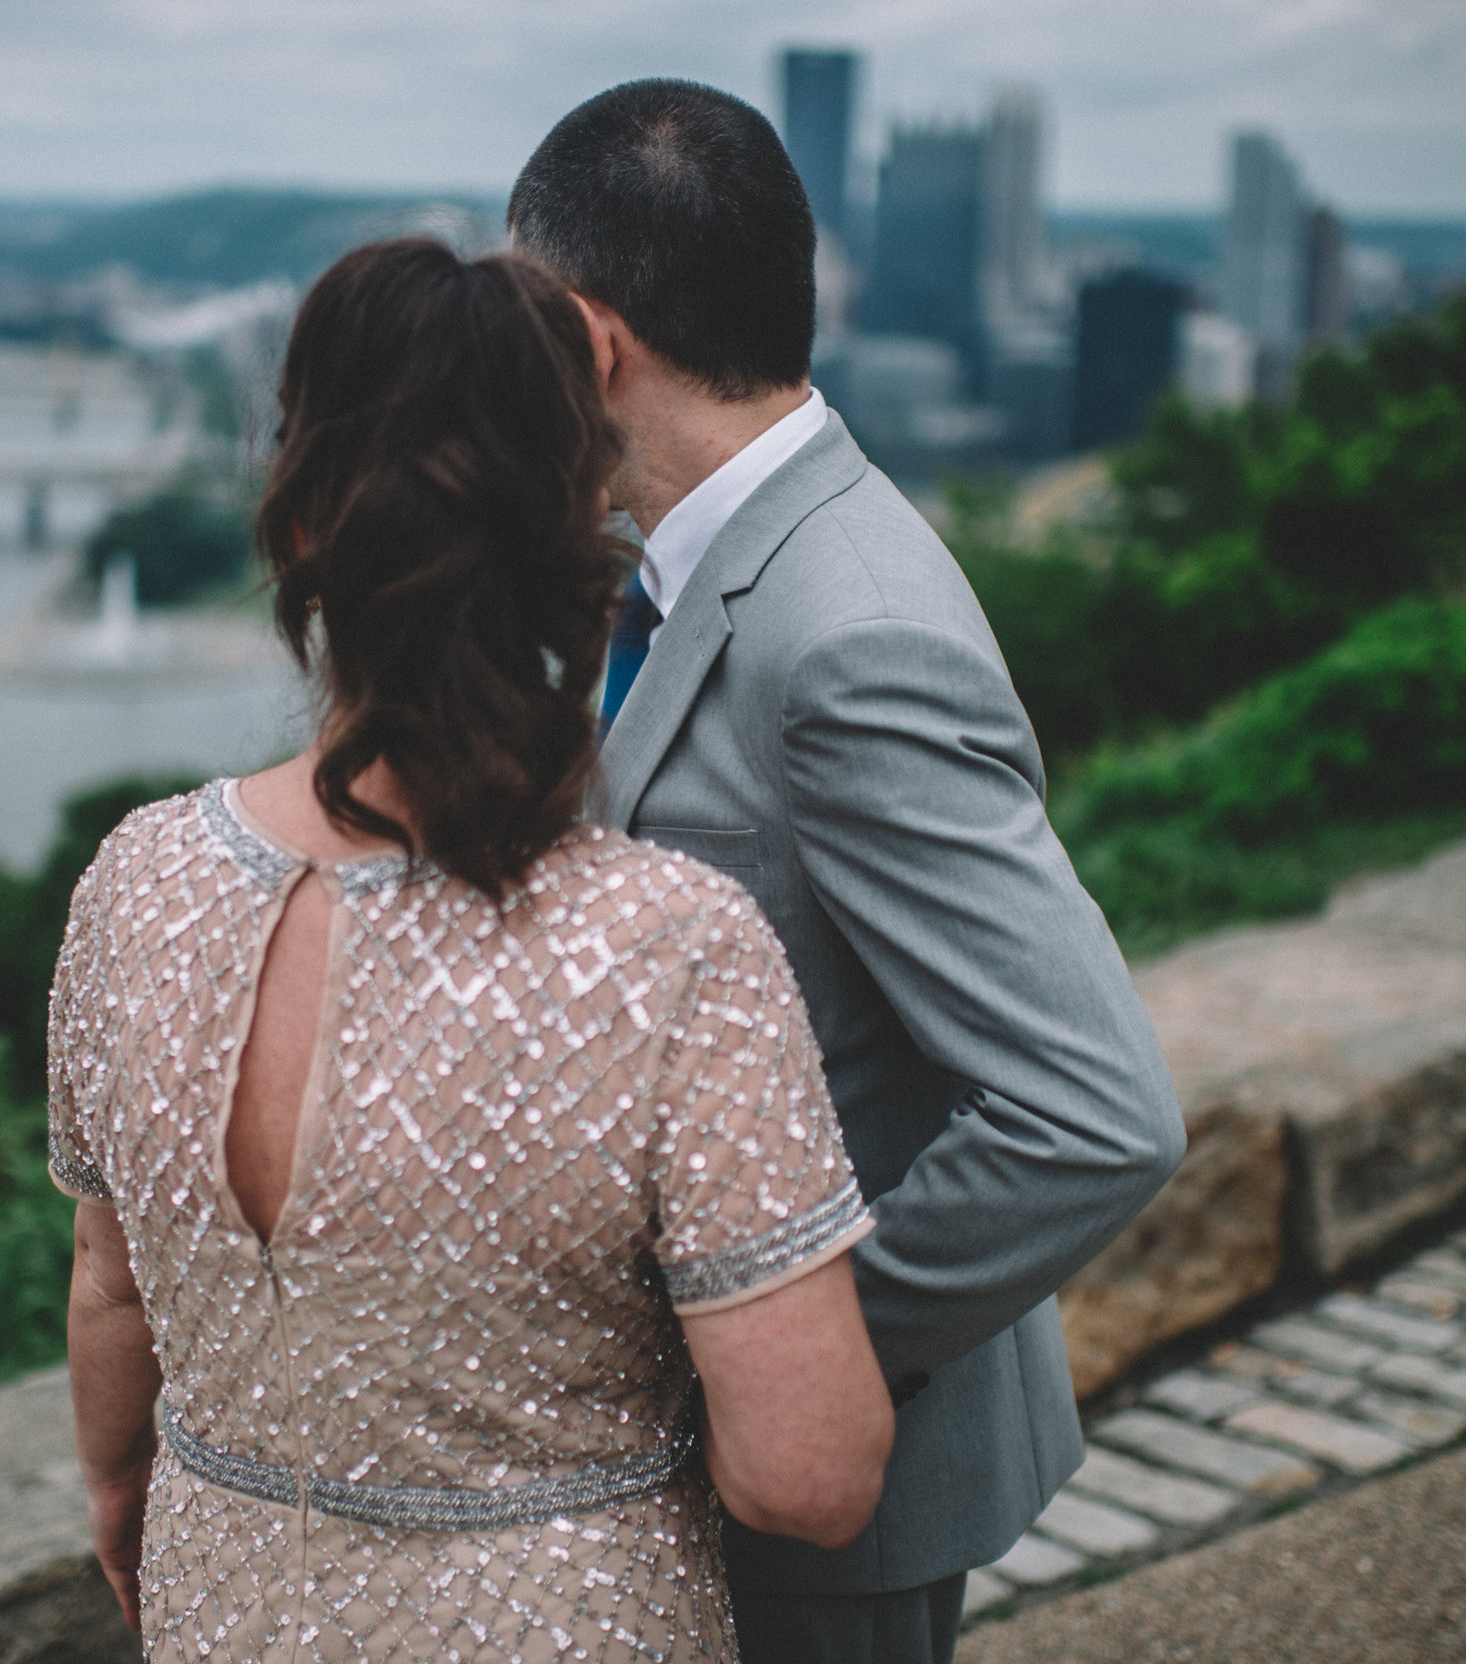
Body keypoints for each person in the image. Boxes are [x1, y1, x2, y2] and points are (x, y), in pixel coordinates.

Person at [51, 237, 896, 1663]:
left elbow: (111, 1288)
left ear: (304, 524)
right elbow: (806, 1479)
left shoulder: (136, 882)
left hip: (223, 1612)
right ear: (581, 516)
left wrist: (124, 1486)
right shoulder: (671, 951)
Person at [508, 81, 1187, 1664]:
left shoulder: (852, 629)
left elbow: (1095, 1112)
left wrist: (778, 1357)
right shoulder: (674, 564)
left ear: (596, 344)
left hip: (825, 1508)